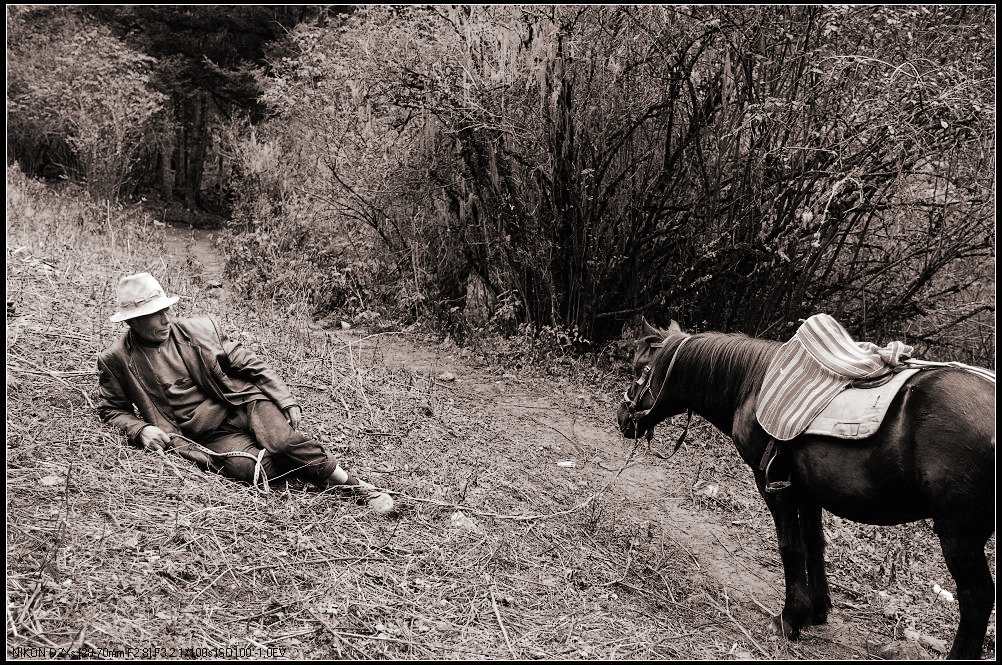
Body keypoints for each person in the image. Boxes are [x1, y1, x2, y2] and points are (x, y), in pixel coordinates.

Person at [96, 272, 393, 514]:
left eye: (165, 310)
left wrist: (284, 398)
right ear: (132, 321)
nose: (164, 319)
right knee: (252, 468)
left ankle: (355, 485)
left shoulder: (198, 330)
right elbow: (112, 410)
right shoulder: (117, 359)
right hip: (208, 434)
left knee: (283, 441)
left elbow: (249, 363)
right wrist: (141, 429)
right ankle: (307, 464)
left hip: (242, 403)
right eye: (153, 314)